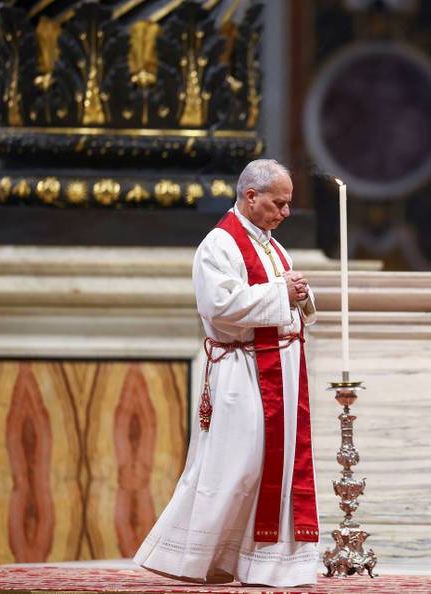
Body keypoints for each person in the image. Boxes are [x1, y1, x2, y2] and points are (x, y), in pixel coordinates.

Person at [133, 159, 320, 587]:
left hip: (279, 369)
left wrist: (302, 296)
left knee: (277, 465)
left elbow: (285, 299)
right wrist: (281, 292)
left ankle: (260, 563)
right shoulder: (219, 245)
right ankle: (193, 558)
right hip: (241, 368)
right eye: (278, 203)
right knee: (236, 466)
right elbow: (219, 306)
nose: (285, 213)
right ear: (250, 196)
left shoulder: (270, 245)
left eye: (289, 204)